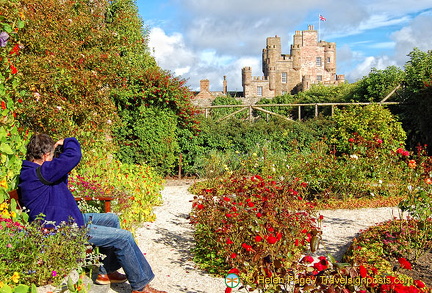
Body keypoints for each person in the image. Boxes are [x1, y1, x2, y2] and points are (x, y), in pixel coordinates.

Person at [18, 134, 167, 293]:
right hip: (63, 229)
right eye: (52, 156)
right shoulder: (39, 173)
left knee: (111, 219)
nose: (53, 159)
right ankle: (141, 287)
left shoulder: (35, 171)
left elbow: (59, 171)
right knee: (124, 237)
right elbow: (74, 155)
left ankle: (106, 272)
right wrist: (69, 141)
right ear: (45, 155)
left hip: (68, 219)